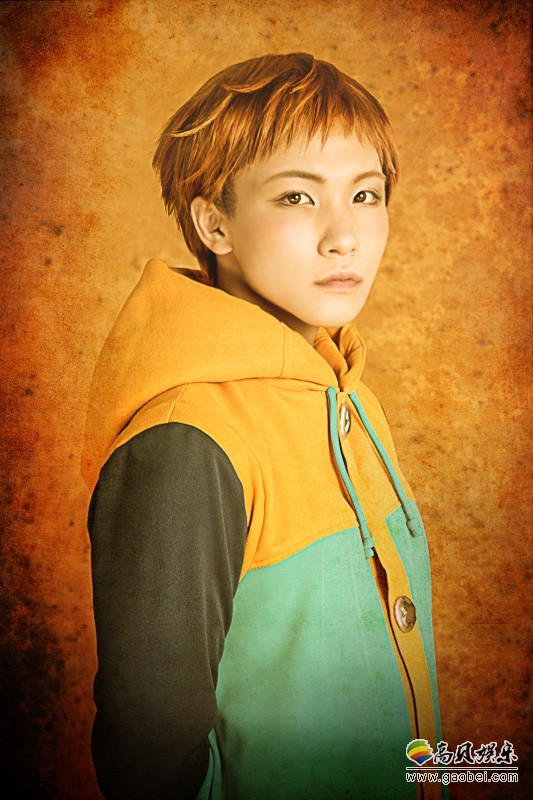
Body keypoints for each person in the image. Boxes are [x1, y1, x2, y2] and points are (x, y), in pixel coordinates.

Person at [82, 52, 444, 800]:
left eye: (366, 194)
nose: (345, 236)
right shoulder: (187, 441)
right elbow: (151, 764)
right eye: (297, 197)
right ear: (213, 222)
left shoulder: (350, 400)